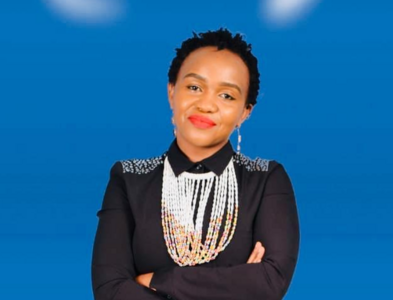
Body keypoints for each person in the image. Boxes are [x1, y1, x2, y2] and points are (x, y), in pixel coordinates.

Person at [91, 28, 300, 300]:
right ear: (171, 91)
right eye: (194, 87)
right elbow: (110, 290)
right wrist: (236, 286)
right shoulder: (128, 178)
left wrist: (161, 279)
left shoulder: (266, 178)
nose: (206, 104)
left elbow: (270, 281)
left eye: (227, 95)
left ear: (245, 112)